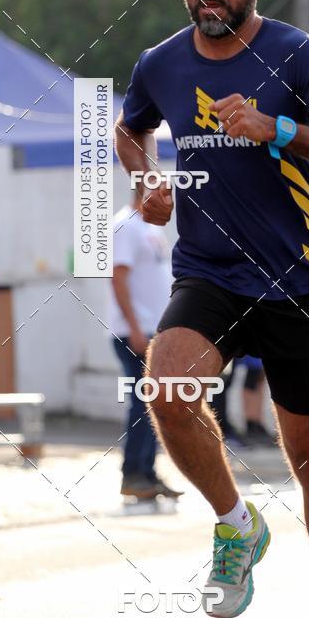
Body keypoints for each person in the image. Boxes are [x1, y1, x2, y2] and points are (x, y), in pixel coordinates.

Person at [115, 0, 309, 618]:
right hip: (207, 274)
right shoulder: (161, 63)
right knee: (168, 390)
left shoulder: (299, 56)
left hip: (296, 283)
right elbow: (129, 126)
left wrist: (281, 129)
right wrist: (146, 181)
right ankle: (237, 523)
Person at [110, 195, 183, 500]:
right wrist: (135, 328)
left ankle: (149, 473)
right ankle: (133, 473)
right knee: (143, 402)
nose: (168, 196)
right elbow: (118, 278)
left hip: (155, 331)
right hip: (134, 332)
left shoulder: (151, 227)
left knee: (156, 404)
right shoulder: (125, 226)